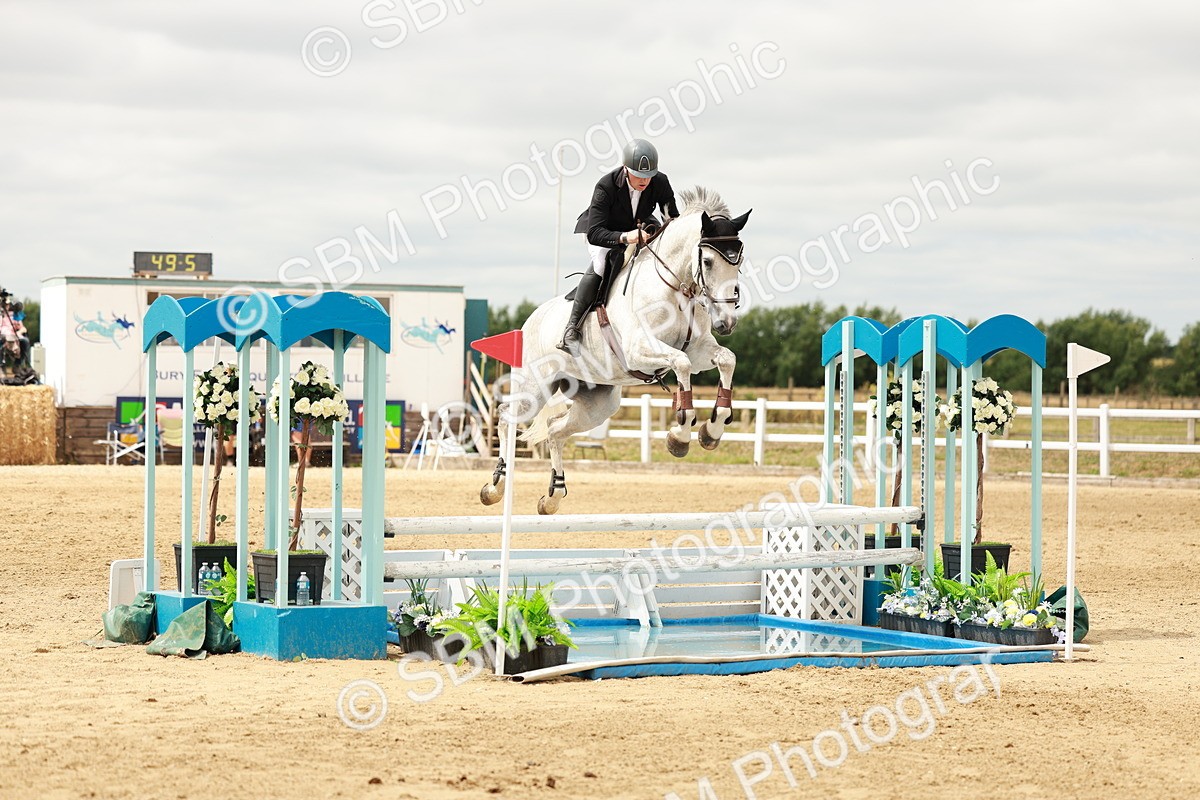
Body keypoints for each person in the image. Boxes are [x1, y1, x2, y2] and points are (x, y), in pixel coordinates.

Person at [558, 139, 680, 355]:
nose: (644, 180)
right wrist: (626, 237)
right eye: (639, 175)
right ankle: (572, 328)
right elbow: (595, 233)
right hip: (604, 231)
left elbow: (672, 219)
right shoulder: (605, 186)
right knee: (601, 263)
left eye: (649, 175)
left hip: (638, 225)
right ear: (626, 169)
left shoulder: (660, 181)